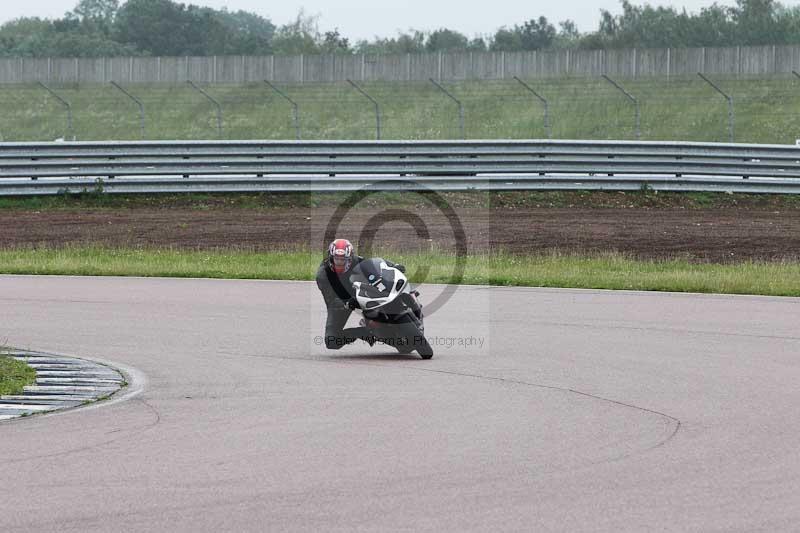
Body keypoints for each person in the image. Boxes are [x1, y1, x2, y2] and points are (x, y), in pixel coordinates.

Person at [315, 238, 405, 350]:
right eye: (336, 259)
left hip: (363, 292)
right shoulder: (323, 275)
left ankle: (408, 299)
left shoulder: (355, 261)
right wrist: (347, 302)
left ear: (350, 258)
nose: (339, 263)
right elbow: (331, 299)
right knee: (331, 341)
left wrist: (393, 265)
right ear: (330, 258)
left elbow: (375, 264)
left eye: (343, 260)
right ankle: (366, 332)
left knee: (388, 287)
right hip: (341, 304)